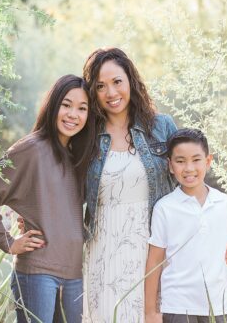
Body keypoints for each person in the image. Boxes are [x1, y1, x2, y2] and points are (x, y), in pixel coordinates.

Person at [0, 75, 94, 323]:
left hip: (73, 274)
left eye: (82, 108)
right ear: (53, 105)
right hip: (37, 273)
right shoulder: (31, 148)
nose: (73, 114)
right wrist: (9, 242)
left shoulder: (76, 157)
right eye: (66, 105)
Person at [81, 47, 178, 322]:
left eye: (117, 82)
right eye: (101, 86)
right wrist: (32, 214)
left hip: (153, 245)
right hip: (104, 247)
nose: (111, 93)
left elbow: (188, 180)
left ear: (131, 81)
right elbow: (62, 183)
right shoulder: (86, 135)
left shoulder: (161, 126)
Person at [144, 128, 227, 323]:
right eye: (180, 161)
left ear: (208, 161)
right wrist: (150, 312)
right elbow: (154, 262)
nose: (189, 168)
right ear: (170, 166)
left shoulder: (226, 205)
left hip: (219, 307)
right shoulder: (164, 208)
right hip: (177, 308)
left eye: (196, 160)